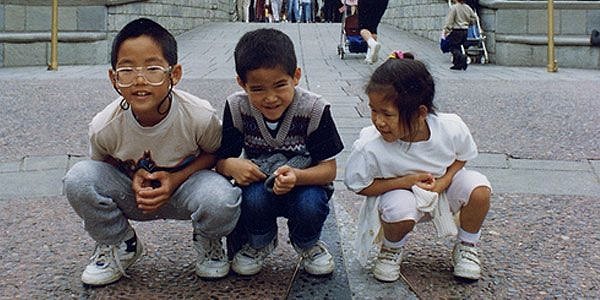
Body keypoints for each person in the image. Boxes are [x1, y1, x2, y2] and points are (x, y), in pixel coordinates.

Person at [63, 18, 242, 286]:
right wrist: (133, 176)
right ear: (113, 78)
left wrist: (176, 179)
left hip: (187, 190)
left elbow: (214, 154)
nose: (139, 79)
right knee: (79, 178)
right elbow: (103, 166)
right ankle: (121, 244)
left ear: (175, 74)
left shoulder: (199, 116)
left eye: (153, 68)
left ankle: (208, 238)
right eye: (127, 69)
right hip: (136, 195)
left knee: (222, 199)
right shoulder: (104, 126)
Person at [344, 52, 491, 282]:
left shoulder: (451, 128)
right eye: (374, 110)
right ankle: (392, 248)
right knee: (397, 208)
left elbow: (463, 157)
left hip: (442, 188)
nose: (379, 121)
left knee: (479, 188)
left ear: (421, 113)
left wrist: (444, 181)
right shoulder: (370, 145)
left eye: (387, 114)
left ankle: (467, 245)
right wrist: (406, 182)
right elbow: (359, 185)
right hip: (401, 196)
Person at [215, 28, 344, 276]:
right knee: (250, 198)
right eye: (258, 89)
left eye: (279, 85)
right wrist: (231, 166)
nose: (270, 98)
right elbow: (222, 159)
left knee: (310, 204)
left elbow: (329, 170)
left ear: (296, 76)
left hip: (306, 184)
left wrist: (297, 177)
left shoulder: (314, 108)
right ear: (242, 83)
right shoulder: (236, 107)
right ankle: (261, 241)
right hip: (260, 183)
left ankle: (307, 243)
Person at [443, 0, 478, 70]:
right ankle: (457, 64)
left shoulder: (454, 8)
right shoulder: (467, 7)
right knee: (459, 46)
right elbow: (474, 18)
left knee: (452, 47)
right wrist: (469, 23)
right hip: (465, 30)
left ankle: (462, 57)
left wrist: (446, 30)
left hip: (456, 30)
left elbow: (450, 20)